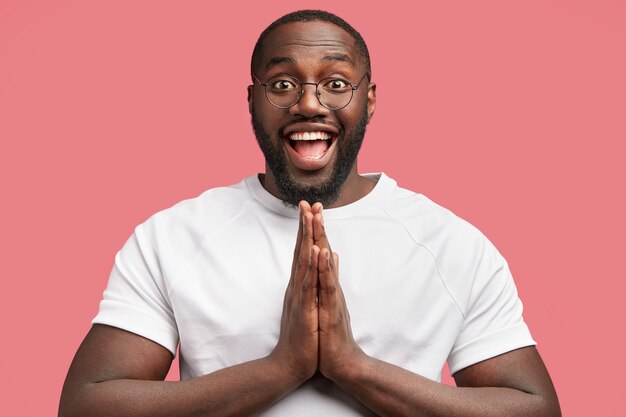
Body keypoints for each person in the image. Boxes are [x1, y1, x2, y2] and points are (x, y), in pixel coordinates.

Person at [59, 10, 561, 417]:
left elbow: (533, 408)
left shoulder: (452, 244)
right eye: (282, 84)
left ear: (369, 100)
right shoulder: (172, 237)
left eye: (336, 82)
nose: (308, 104)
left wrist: (353, 366)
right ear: (252, 101)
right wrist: (282, 367)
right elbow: (87, 405)